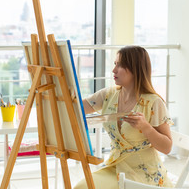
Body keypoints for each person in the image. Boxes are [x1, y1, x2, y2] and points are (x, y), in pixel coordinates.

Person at [74, 46, 173, 189]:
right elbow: (77, 108)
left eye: (120, 65)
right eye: (115, 64)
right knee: (82, 187)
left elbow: (167, 147)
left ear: (135, 68)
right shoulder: (108, 95)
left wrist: (146, 127)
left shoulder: (154, 103)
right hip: (116, 166)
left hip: (144, 173)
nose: (114, 70)